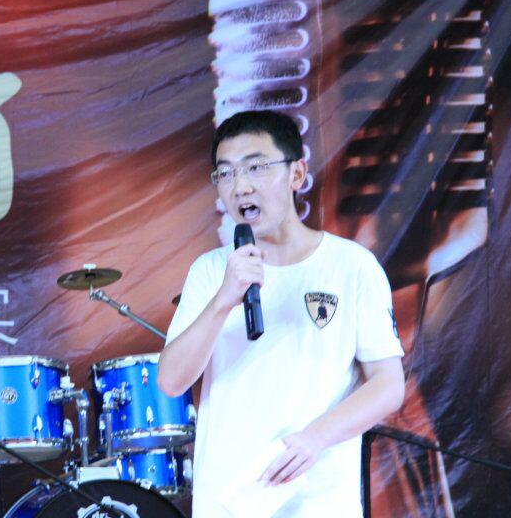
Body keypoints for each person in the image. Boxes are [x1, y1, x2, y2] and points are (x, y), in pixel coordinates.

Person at [158, 110, 405, 517]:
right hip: (229, 502)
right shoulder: (210, 271)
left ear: (297, 174)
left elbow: (388, 385)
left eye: (256, 167)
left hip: (319, 501)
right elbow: (171, 381)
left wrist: (315, 438)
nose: (240, 186)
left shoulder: (351, 266)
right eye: (225, 174)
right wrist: (224, 299)